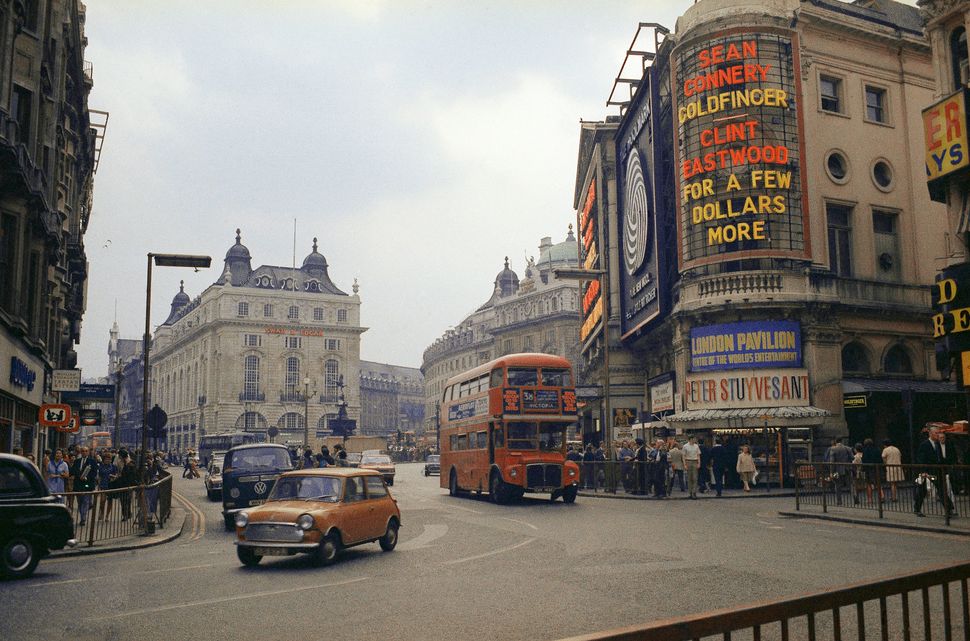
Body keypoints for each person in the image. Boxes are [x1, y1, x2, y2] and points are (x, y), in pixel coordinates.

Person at [914, 427, 957, 517]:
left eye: (938, 433)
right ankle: (917, 508)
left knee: (941, 489)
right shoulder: (924, 444)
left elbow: (940, 457)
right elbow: (920, 459)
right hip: (927, 472)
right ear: (930, 434)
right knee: (922, 491)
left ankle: (949, 509)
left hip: (936, 472)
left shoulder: (937, 444)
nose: (938, 435)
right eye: (936, 433)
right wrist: (923, 471)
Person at [71, 446, 98, 525]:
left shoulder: (92, 461)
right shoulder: (77, 461)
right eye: (82, 451)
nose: (84, 452)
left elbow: (94, 473)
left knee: (85, 501)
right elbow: (73, 470)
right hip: (78, 484)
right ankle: (83, 513)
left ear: (88, 452)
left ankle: (83, 518)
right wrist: (80, 476)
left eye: (86, 451)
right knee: (80, 502)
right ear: (81, 452)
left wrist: (86, 477)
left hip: (87, 484)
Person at [823, 437, 853, 505]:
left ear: (835, 441)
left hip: (837, 470)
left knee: (838, 485)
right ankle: (855, 497)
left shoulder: (833, 449)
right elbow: (852, 458)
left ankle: (839, 500)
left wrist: (831, 472)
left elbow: (832, 461)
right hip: (847, 468)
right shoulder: (848, 448)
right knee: (851, 484)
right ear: (842, 441)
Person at [861, 438, 883, 503]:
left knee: (869, 484)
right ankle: (881, 496)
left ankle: (870, 499)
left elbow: (863, 460)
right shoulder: (877, 449)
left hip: (868, 469)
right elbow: (880, 460)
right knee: (878, 484)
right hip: (877, 468)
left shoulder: (865, 451)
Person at [98, 452, 117, 521]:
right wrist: (98, 485)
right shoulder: (101, 466)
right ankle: (102, 513)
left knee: (110, 501)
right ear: (103, 459)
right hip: (103, 485)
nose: (107, 460)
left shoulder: (113, 467)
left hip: (111, 485)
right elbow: (99, 476)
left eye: (109, 459)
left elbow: (116, 475)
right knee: (102, 501)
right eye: (106, 459)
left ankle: (107, 516)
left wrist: (113, 476)